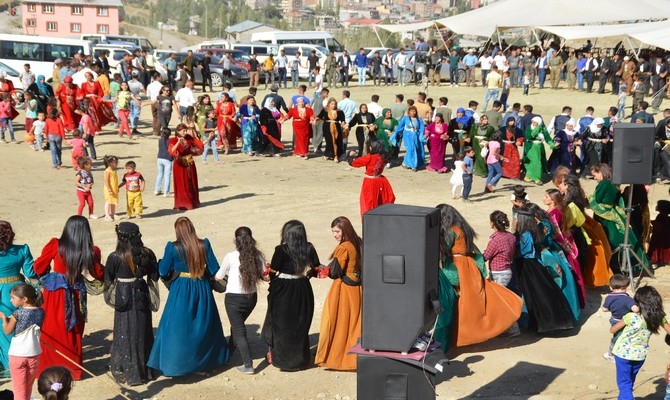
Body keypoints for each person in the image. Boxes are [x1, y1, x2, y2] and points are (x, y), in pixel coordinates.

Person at [148, 217, 230, 376]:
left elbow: (163, 271)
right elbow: (214, 268)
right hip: (201, 286)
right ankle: (205, 363)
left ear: (177, 231)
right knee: (204, 326)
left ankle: (176, 365)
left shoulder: (172, 247)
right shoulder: (204, 244)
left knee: (177, 328)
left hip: (181, 289)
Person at [435, 204, 522, 349]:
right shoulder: (463, 227)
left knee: (462, 302)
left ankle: (463, 335)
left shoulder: (451, 230)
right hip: (469, 265)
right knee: (475, 300)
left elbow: (445, 248)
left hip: (458, 265)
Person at [34, 216, 104, 380]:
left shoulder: (55, 245)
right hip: (76, 291)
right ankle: (72, 369)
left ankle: (47, 366)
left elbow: (38, 267)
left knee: (51, 326)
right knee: (73, 330)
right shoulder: (90, 251)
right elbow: (99, 273)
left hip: (54, 292)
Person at [103, 222, 158, 385]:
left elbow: (108, 280)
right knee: (142, 329)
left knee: (124, 331)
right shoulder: (148, 253)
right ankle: (144, 370)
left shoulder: (115, 256)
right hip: (141, 294)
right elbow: (154, 276)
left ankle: (127, 369)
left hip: (124, 295)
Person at [261, 220, 320, 371]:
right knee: (300, 323)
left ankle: (283, 360)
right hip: (302, 287)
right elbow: (316, 268)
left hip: (283, 289)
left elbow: (273, 271)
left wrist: (271, 280)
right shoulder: (308, 247)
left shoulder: (281, 250)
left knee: (282, 325)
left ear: (287, 234)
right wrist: (309, 274)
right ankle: (300, 360)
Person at [216, 227, 267, 374]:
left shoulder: (231, 256)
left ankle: (248, 364)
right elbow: (265, 276)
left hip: (233, 299)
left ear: (235, 240)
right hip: (251, 299)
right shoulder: (257, 256)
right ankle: (227, 356)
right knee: (236, 328)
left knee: (239, 330)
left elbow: (219, 276)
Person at [514, 206, 573, 333]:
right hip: (534, 264)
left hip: (527, 265)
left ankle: (541, 324)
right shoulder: (534, 230)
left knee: (534, 294)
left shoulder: (525, 234)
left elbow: (525, 251)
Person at [315, 216, 362, 370]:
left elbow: (335, 272)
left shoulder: (342, 248)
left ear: (344, 230)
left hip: (343, 290)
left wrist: (322, 269)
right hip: (357, 288)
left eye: (337, 231)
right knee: (355, 324)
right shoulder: (358, 242)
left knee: (339, 324)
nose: (334, 234)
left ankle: (338, 359)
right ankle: (356, 357)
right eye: (333, 231)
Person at [610, 286, 670, 400]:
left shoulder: (630, 317)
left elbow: (612, 330)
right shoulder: (658, 318)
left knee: (624, 384)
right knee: (629, 381)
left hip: (622, 354)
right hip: (640, 356)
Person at [558, 174, 613, 287]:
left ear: (568, 186)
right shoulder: (576, 197)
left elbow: (569, 222)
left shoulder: (571, 202)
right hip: (578, 231)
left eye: (562, 183)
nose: (559, 186)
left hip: (573, 233)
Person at [589, 163, 647, 270]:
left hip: (604, 217)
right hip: (614, 214)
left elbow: (597, 199)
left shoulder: (603, 184)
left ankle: (613, 265)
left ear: (601, 173)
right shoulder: (614, 183)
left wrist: (588, 199)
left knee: (608, 239)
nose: (594, 177)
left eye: (595, 174)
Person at [0, 221, 38, 379]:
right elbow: (31, 272)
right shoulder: (23, 250)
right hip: (15, 293)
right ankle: (10, 364)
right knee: (11, 327)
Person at [0, 284, 43, 400]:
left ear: (24, 299)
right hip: (33, 354)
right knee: (28, 388)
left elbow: (7, 330)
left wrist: (4, 319)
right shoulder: (41, 312)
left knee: (19, 390)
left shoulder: (17, 314)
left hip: (17, 355)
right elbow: (28, 323)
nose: (11, 300)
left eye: (13, 298)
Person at [347, 139, 395, 216]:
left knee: (368, 204)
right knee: (381, 202)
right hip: (381, 181)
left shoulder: (369, 157)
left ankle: (370, 221)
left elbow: (354, 163)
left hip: (370, 182)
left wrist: (350, 155)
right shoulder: (384, 157)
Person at [601, 274, 639, 363]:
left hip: (614, 320)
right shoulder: (627, 299)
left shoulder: (609, 297)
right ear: (626, 287)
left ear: (611, 287)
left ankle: (616, 352)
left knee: (617, 335)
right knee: (619, 337)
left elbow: (604, 309)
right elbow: (635, 309)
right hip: (625, 321)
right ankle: (610, 354)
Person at [169, 124, 203, 210]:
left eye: (185, 130)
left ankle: (192, 202)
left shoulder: (188, 137)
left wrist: (208, 138)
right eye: (183, 131)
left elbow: (199, 145)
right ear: (178, 131)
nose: (185, 132)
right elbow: (172, 151)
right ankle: (183, 203)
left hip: (190, 161)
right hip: (179, 163)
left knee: (191, 181)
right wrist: (178, 142)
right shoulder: (173, 140)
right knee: (181, 183)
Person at [393, 106, 425, 171]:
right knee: (410, 149)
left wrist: (421, 134)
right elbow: (400, 126)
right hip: (408, 136)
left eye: (414, 111)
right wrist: (395, 133)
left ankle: (406, 163)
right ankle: (413, 165)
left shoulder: (419, 119)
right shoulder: (405, 118)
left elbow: (422, 127)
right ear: (409, 112)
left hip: (416, 136)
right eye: (411, 111)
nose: (413, 112)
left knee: (417, 149)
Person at [522, 116, 552, 184]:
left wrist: (551, 143)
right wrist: (536, 130)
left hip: (539, 146)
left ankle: (528, 176)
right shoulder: (529, 128)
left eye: (535, 122)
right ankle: (537, 178)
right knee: (536, 161)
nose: (533, 123)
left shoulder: (543, 128)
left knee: (536, 161)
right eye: (532, 122)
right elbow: (529, 136)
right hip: (531, 146)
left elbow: (547, 137)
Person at [317, 97, 346, 162]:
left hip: (336, 127)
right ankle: (329, 154)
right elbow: (319, 116)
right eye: (332, 104)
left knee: (336, 141)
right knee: (329, 141)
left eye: (334, 104)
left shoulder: (340, 112)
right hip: (327, 127)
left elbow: (343, 120)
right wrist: (315, 120)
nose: (333, 105)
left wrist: (344, 125)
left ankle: (336, 155)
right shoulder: (325, 110)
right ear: (329, 104)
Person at [648, 200, 670, 266]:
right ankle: (663, 260)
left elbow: (659, 225)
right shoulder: (665, 216)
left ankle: (657, 259)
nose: (656, 206)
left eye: (657, 205)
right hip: (665, 236)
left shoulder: (661, 216)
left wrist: (652, 222)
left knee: (658, 248)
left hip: (659, 236)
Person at [103, 155, 119, 222]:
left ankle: (113, 214)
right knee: (108, 201)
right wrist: (109, 189)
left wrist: (116, 188)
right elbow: (106, 181)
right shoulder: (107, 171)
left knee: (113, 202)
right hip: (108, 189)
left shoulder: (114, 170)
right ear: (110, 163)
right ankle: (107, 215)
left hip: (114, 188)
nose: (117, 163)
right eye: (115, 162)